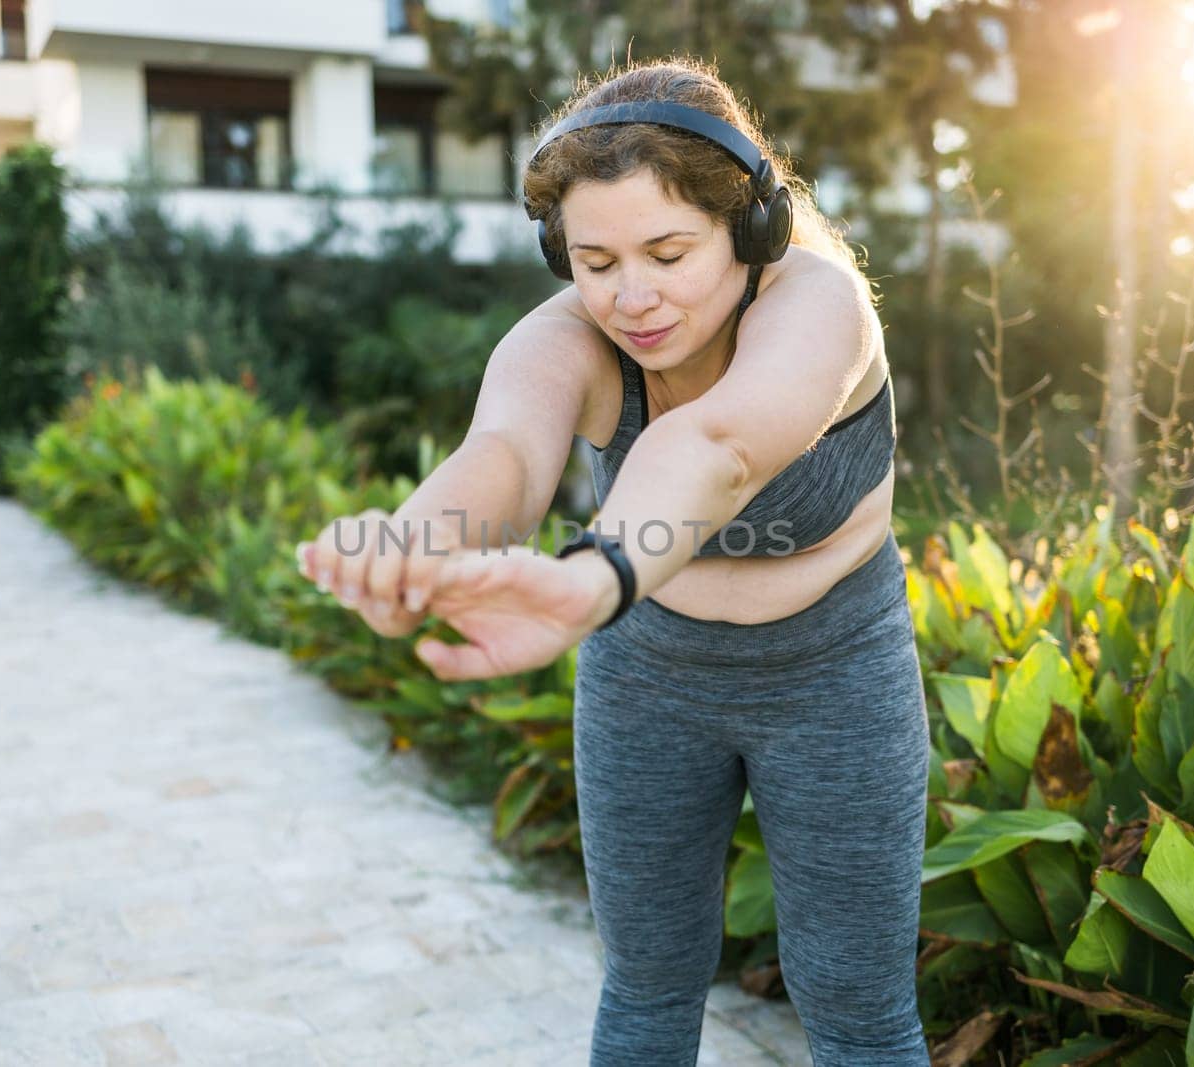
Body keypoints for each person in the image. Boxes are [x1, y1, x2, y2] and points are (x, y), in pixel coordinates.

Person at [296, 56, 930, 1067]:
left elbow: (714, 448)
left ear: (749, 228)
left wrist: (593, 575)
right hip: (648, 681)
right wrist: (412, 556)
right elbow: (500, 457)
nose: (631, 298)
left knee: (856, 1007)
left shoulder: (820, 307)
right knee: (646, 984)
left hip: (834, 675)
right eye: (594, 262)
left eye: (668, 252)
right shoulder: (571, 339)